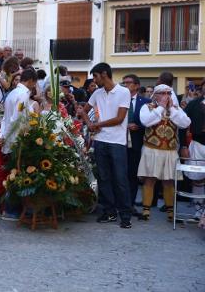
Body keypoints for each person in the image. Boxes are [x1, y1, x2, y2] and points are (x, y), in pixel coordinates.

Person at [77, 63, 132, 228]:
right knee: (104, 178)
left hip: (117, 142)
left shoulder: (123, 91)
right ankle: (109, 212)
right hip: (100, 141)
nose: (94, 80)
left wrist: (97, 124)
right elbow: (83, 110)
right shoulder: (97, 93)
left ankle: (125, 215)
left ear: (104, 74)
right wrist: (90, 123)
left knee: (120, 179)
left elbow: (119, 118)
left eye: (95, 76)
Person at [138, 84, 190, 222]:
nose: (166, 96)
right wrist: (160, 107)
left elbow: (185, 123)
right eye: (162, 93)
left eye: (168, 93)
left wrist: (172, 109)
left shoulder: (175, 109)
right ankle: (146, 210)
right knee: (150, 179)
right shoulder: (147, 107)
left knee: (169, 182)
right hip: (151, 150)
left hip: (170, 151)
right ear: (155, 95)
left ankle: (171, 212)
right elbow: (146, 122)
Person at [121, 74, 150, 217]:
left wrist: (138, 126)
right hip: (120, 142)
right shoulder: (118, 100)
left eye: (129, 83)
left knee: (133, 176)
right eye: (124, 83)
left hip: (137, 143)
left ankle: (130, 205)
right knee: (120, 175)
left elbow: (151, 123)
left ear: (137, 85)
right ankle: (119, 204)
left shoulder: (146, 102)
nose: (125, 85)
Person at [180, 87, 205, 223]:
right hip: (198, 144)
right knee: (198, 178)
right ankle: (198, 210)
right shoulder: (194, 104)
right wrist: (183, 145)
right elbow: (183, 125)